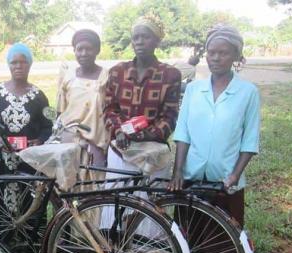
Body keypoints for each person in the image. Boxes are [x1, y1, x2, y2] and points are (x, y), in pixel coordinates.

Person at [169, 24, 261, 227]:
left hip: (225, 180)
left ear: (236, 56)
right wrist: (178, 172)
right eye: (211, 53)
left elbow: (250, 140)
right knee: (187, 238)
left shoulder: (248, 92)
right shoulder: (194, 89)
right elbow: (183, 133)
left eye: (223, 53)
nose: (216, 58)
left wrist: (235, 175)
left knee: (224, 244)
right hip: (192, 175)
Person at [0, 43, 52, 253]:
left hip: (30, 159)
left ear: (30, 64)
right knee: (5, 194)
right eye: (14, 62)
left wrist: (40, 141)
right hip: (5, 156)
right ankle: (5, 241)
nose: (19, 66)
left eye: (23, 62)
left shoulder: (39, 96)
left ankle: (33, 243)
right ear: (8, 64)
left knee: (33, 196)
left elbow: (48, 125)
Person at [104, 14, 182, 178]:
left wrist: (144, 135)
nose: (139, 41)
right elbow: (110, 109)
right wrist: (119, 131)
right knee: (117, 200)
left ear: (157, 41)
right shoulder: (117, 72)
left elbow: (170, 117)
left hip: (153, 154)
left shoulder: (170, 75)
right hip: (120, 150)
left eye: (145, 37)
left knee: (147, 203)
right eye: (135, 37)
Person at [56, 29, 110, 169]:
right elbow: (60, 111)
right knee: (68, 184)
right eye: (79, 49)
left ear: (97, 50)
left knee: (94, 185)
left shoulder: (106, 77)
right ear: (74, 51)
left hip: (96, 143)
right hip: (69, 141)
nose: (84, 54)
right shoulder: (68, 77)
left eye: (89, 49)